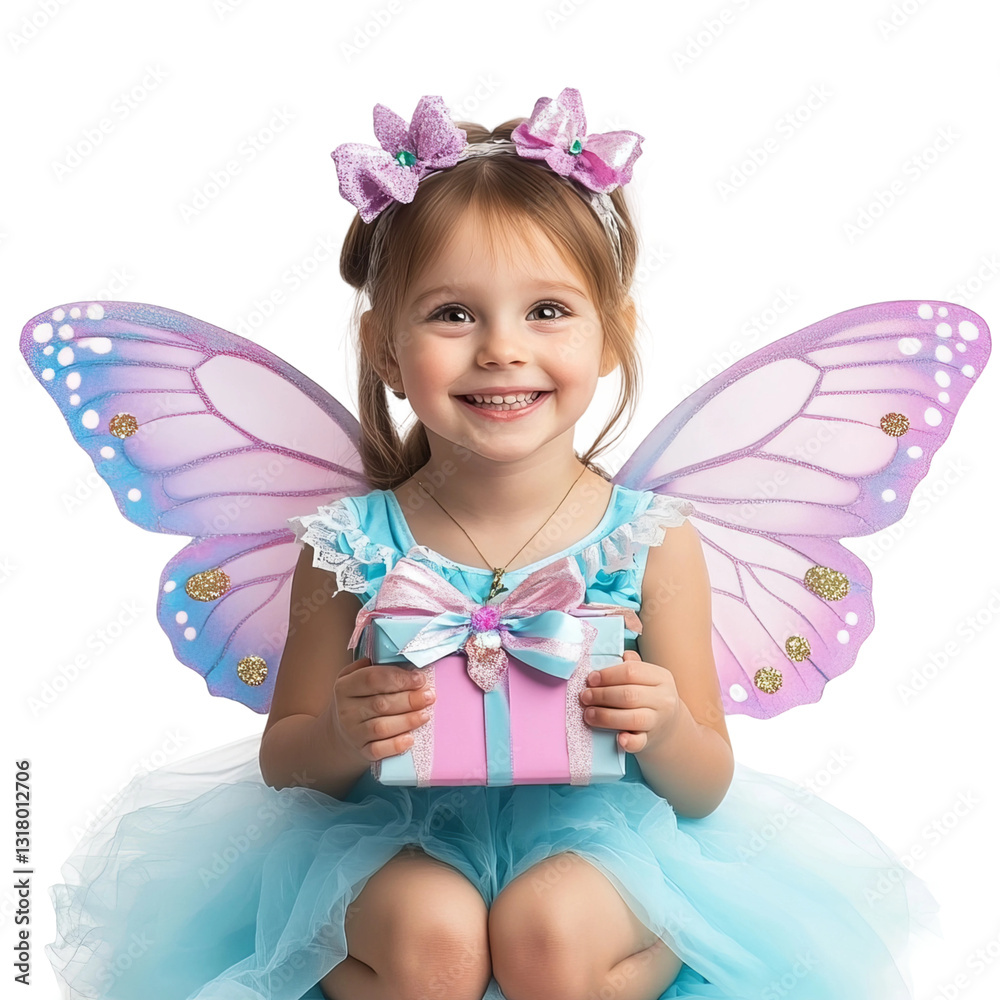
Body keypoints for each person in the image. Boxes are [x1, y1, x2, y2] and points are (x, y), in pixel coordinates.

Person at [39, 88, 947, 1000]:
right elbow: (289, 759)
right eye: (452, 314)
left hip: (596, 841)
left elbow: (705, 784)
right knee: (438, 937)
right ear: (386, 352)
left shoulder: (648, 541)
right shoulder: (350, 544)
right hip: (392, 838)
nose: (501, 349)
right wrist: (347, 732)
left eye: (547, 311)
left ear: (610, 339)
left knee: (545, 928)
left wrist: (664, 724)